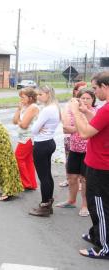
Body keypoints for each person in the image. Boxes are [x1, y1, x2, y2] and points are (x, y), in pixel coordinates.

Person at [71, 72, 109, 259]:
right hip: (98, 162)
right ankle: (96, 234)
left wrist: (76, 113)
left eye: (95, 88)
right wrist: (86, 112)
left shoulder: (107, 109)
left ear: (105, 86)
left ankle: (105, 247)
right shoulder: (105, 109)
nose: (93, 92)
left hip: (101, 166)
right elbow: (99, 121)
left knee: (100, 206)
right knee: (96, 205)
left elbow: (85, 133)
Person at [56, 89, 97, 217]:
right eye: (82, 98)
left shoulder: (94, 112)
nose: (84, 101)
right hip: (74, 149)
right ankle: (71, 200)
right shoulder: (73, 111)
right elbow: (65, 128)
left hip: (88, 151)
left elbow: (89, 129)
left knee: (85, 180)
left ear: (93, 100)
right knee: (72, 177)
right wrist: (79, 127)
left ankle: (85, 205)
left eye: (88, 98)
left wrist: (76, 128)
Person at [28, 86, 61, 217]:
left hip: (41, 144)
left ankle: (44, 205)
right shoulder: (56, 107)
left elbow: (34, 130)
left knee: (43, 177)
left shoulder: (47, 109)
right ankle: (48, 202)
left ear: (48, 94)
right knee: (47, 175)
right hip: (49, 142)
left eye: (40, 94)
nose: (38, 97)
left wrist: (37, 125)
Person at [60, 81, 88, 188]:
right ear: (75, 91)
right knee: (69, 160)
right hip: (71, 139)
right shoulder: (69, 105)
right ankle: (69, 180)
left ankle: (82, 181)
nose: (84, 92)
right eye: (81, 90)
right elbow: (65, 127)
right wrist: (81, 127)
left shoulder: (88, 106)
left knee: (84, 163)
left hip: (85, 140)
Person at [12, 87, 39, 190]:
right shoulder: (24, 106)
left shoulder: (33, 107)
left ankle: (25, 183)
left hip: (28, 137)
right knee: (28, 160)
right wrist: (18, 109)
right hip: (24, 136)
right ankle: (31, 184)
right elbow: (14, 121)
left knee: (18, 158)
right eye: (20, 97)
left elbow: (24, 125)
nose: (21, 99)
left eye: (23, 97)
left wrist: (20, 122)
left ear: (30, 98)